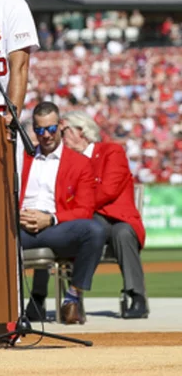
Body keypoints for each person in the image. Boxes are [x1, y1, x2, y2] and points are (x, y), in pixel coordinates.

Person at [20, 102, 107, 324]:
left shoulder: (79, 163)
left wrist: (50, 219)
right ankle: (0, 305)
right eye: (40, 130)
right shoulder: (21, 158)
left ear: (60, 125)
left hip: (55, 227)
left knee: (94, 230)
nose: (46, 135)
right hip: (19, 227)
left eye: (50, 128)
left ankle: (72, 298)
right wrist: (17, 214)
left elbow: (85, 209)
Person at [61, 110, 149, 318]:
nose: (60, 137)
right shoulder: (68, 161)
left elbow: (108, 190)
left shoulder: (112, 151)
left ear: (79, 132)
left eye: (64, 131)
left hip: (119, 217)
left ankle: (137, 296)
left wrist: (80, 206)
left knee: (123, 233)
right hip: (93, 218)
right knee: (85, 228)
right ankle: (74, 297)